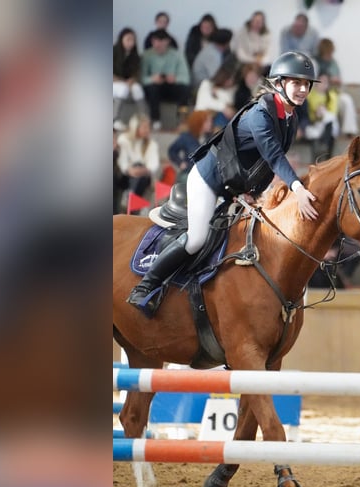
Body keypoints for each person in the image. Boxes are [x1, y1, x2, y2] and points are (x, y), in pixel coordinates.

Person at [127, 51, 320, 316]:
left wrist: (253, 193)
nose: (301, 89)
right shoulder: (260, 115)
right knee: (197, 239)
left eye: (306, 84)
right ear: (278, 83)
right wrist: (297, 188)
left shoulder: (290, 118)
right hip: (209, 179)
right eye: (295, 82)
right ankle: (146, 287)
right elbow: (273, 156)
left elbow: (264, 164)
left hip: (233, 188)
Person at [141, 29, 191, 130]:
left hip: (170, 86)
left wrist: (175, 78)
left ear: (167, 41)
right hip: (153, 88)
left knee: (184, 89)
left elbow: (186, 78)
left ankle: (181, 121)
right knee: (152, 88)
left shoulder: (177, 55)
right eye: (155, 42)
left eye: (160, 42)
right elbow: (141, 78)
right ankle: (155, 121)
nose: (157, 45)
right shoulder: (146, 55)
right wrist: (152, 79)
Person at [314, 38, 359, 136]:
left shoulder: (333, 63)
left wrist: (335, 82)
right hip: (318, 95)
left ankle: (349, 130)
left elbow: (339, 81)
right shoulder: (315, 62)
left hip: (333, 93)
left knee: (347, 100)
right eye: (328, 52)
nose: (330, 55)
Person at [116, 113, 161, 205]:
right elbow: (122, 161)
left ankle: (130, 201)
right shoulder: (124, 139)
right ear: (135, 127)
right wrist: (130, 170)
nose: (148, 130)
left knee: (140, 174)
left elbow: (153, 164)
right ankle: (131, 203)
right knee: (135, 171)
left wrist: (142, 170)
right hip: (125, 175)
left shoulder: (152, 144)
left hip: (144, 175)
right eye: (145, 127)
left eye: (148, 127)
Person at [300, 72, 339, 161]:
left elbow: (333, 113)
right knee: (316, 133)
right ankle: (321, 149)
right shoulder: (310, 95)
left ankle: (325, 146)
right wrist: (317, 114)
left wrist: (323, 112)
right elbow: (308, 114)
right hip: (315, 124)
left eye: (325, 82)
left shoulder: (332, 95)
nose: (322, 84)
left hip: (329, 125)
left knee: (330, 121)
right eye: (320, 81)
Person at [113, 27, 146, 130]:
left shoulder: (135, 55)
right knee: (123, 89)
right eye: (128, 39)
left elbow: (137, 73)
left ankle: (143, 119)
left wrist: (133, 80)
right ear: (121, 39)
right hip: (114, 82)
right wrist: (123, 81)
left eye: (133, 40)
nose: (130, 43)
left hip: (127, 83)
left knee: (137, 89)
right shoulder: (113, 52)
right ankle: (115, 119)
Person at [167, 110, 213, 182]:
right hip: (189, 172)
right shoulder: (186, 137)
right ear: (199, 122)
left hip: (206, 173)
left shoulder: (210, 137)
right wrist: (180, 163)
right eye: (207, 121)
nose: (210, 124)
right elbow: (172, 150)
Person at [194, 62, 237, 129]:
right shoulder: (206, 84)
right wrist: (224, 107)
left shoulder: (226, 91)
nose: (231, 82)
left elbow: (229, 103)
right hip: (201, 116)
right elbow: (208, 101)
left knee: (222, 116)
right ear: (222, 78)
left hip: (216, 120)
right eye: (229, 79)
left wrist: (218, 92)